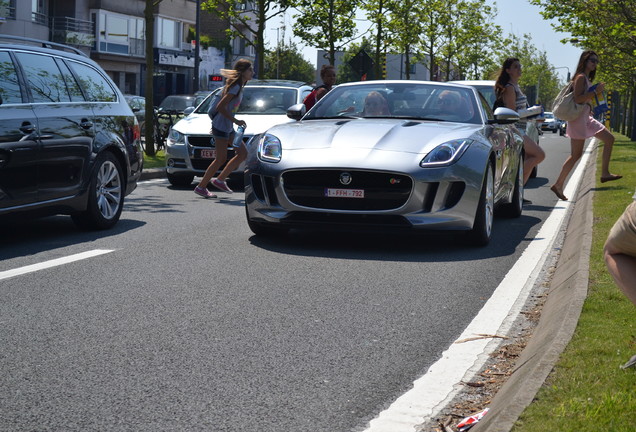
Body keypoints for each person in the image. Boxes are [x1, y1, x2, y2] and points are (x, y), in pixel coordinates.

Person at [550, 50, 621, 201]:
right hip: (578, 120)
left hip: (586, 118)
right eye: (592, 61)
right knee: (576, 154)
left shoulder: (585, 78)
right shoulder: (581, 77)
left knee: (609, 139)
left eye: (596, 61)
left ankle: (605, 173)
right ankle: (558, 184)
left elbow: (584, 100)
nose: (595, 64)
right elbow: (577, 99)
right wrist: (595, 92)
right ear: (585, 61)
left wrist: (591, 103)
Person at [194, 59, 254, 198]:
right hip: (222, 126)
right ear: (243, 71)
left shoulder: (239, 86)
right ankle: (201, 186)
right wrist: (236, 120)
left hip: (226, 126)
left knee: (242, 153)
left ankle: (220, 180)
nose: (252, 72)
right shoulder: (235, 87)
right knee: (220, 158)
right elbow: (221, 107)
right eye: (250, 70)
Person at [494, 58, 546, 189]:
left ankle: (519, 192)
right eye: (515, 67)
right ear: (508, 70)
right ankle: (514, 185)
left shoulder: (516, 87)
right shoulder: (510, 88)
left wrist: (534, 116)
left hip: (522, 128)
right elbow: (512, 113)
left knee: (529, 158)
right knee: (539, 155)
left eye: (519, 66)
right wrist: (532, 111)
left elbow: (521, 112)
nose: (519, 69)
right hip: (515, 130)